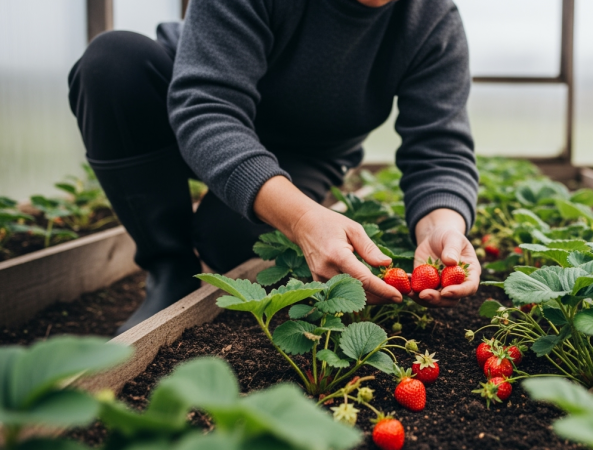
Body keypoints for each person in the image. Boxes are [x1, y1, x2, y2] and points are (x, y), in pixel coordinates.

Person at [67, 0, 481, 334]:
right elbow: (208, 108)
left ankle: (219, 234)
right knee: (112, 64)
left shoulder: (431, 19)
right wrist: (301, 218)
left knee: (232, 240)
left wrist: (441, 226)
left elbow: (439, 148)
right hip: (187, 113)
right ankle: (168, 270)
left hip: (303, 152)